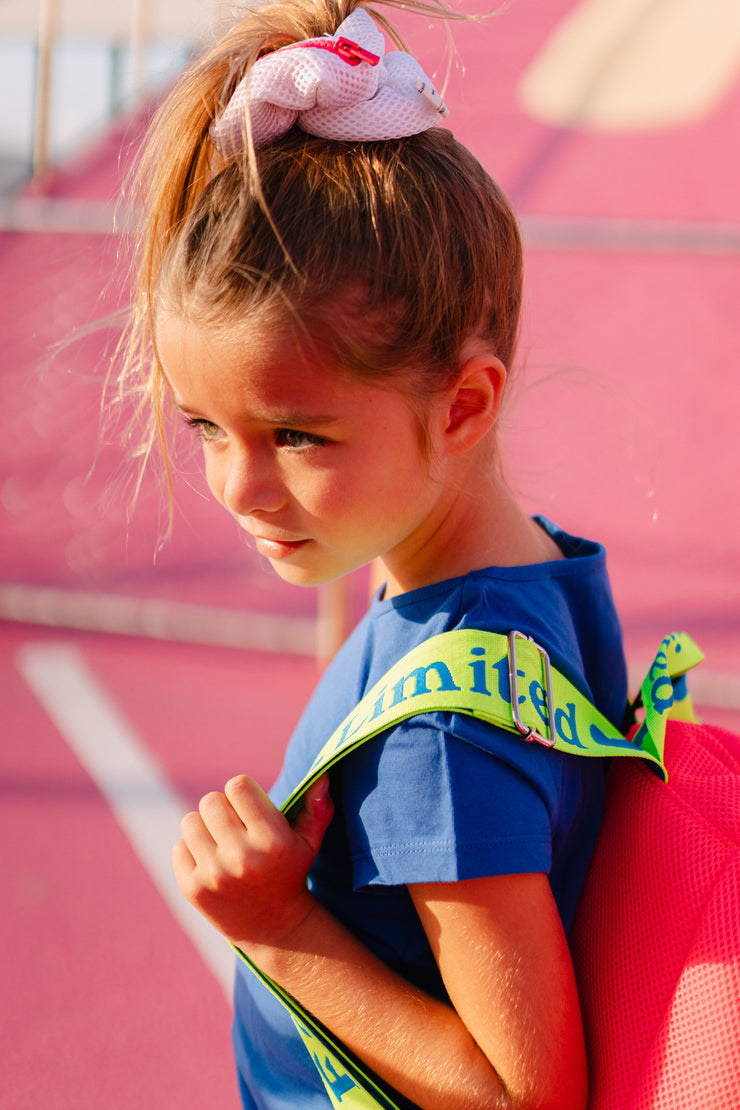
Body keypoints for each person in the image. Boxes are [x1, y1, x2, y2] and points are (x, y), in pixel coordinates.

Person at [121, 2, 628, 1106]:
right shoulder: (534, 576)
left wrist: (276, 925)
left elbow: (520, 1095)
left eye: (296, 435)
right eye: (207, 428)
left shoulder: (438, 737)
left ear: (462, 406)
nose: (237, 487)